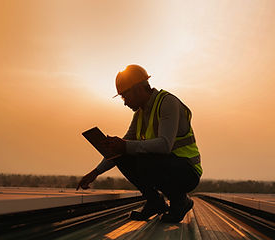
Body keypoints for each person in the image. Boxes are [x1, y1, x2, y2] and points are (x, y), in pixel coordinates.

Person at [76, 64, 202, 222]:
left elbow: (165, 145)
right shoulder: (140, 114)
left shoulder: (167, 103)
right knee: (121, 154)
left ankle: (180, 201)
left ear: (137, 89)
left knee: (138, 157)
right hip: (167, 167)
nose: (124, 102)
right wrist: (95, 172)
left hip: (187, 172)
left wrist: (125, 146)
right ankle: (155, 202)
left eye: (124, 96)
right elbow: (122, 148)